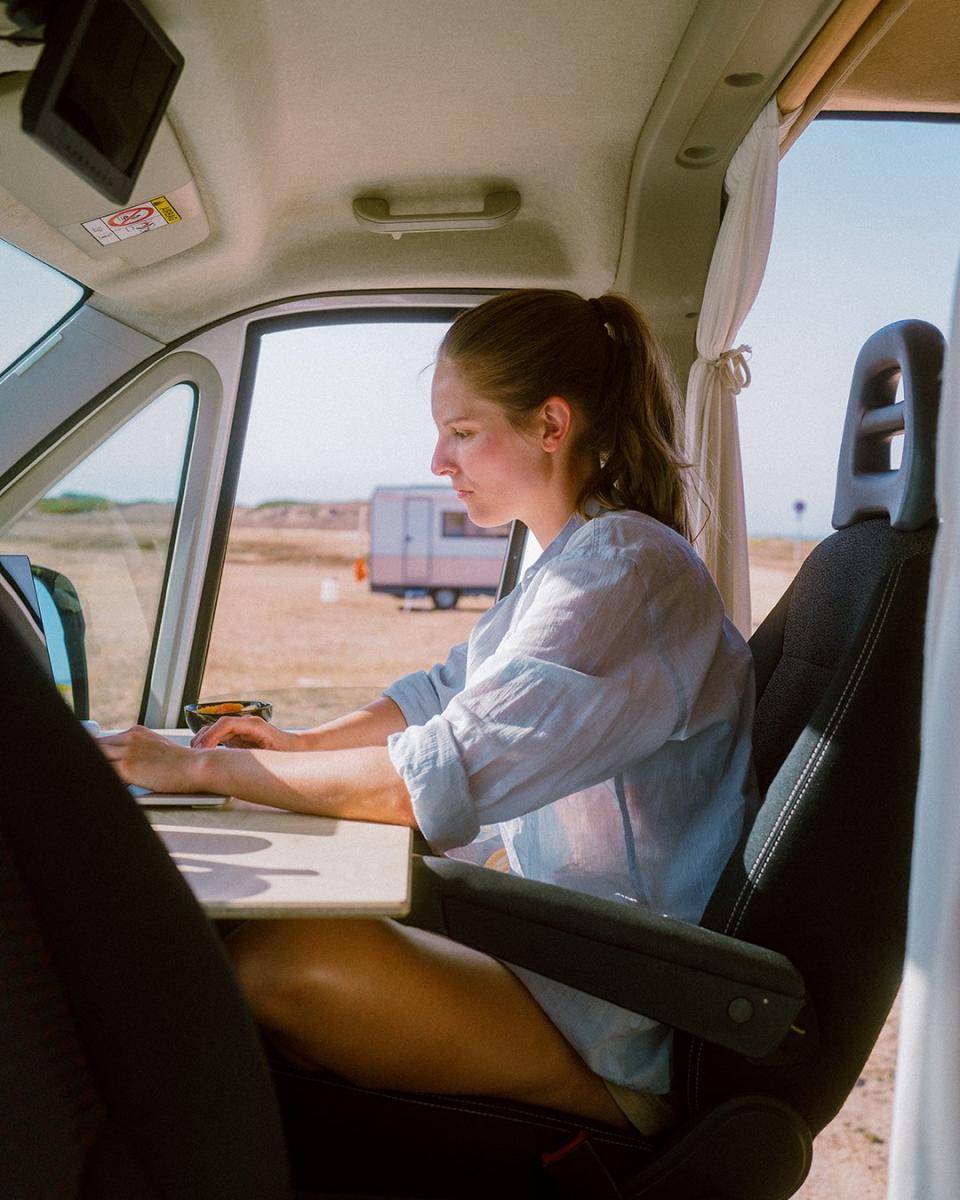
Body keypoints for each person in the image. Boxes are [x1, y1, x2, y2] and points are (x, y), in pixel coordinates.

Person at [99, 289, 757, 1136]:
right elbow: (439, 697)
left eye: (463, 430)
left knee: (269, 966)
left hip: (614, 1009)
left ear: (551, 426)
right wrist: (296, 745)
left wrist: (201, 768)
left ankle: (609, 1118)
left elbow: (433, 778)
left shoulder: (625, 573)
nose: (439, 458)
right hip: (550, 954)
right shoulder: (574, 563)